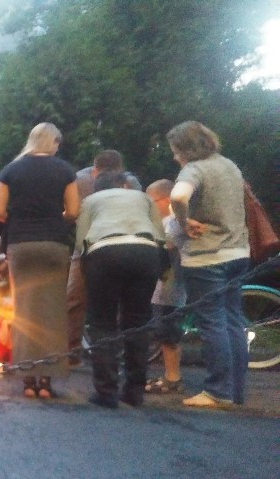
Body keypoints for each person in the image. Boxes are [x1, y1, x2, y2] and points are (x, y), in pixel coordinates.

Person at [0, 122, 80, 399]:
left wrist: (20, 220)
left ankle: (28, 379)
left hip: (21, 243)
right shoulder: (65, 170)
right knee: (53, 311)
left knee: (24, 309)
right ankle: (47, 381)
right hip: (54, 244)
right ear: (52, 142)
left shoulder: (11, 170)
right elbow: (74, 211)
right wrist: (55, 220)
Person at [167, 121, 250, 408]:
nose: (175, 157)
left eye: (176, 151)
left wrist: (182, 221)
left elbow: (178, 196)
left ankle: (218, 391)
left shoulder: (194, 168)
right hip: (238, 252)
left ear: (185, 149)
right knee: (234, 322)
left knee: (213, 323)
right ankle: (235, 391)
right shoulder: (229, 166)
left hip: (206, 256)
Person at [75, 171, 165, 408]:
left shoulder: (91, 201)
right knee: (138, 320)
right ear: (124, 185)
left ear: (97, 188)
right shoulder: (142, 198)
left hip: (105, 252)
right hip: (146, 252)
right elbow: (160, 234)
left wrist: (86, 269)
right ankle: (135, 391)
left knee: (102, 322)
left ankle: (106, 391)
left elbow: (81, 239)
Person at [67, 150, 143, 362]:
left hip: (91, 244)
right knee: (116, 299)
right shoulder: (83, 180)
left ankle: (73, 351)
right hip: (113, 244)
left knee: (74, 298)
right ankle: (115, 351)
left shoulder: (79, 180)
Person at [145, 179, 188, 394]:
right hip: (169, 283)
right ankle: (170, 375)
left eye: (150, 200)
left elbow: (167, 244)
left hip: (170, 286)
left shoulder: (173, 221)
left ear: (163, 199)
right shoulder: (170, 221)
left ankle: (173, 377)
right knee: (165, 327)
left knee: (167, 328)